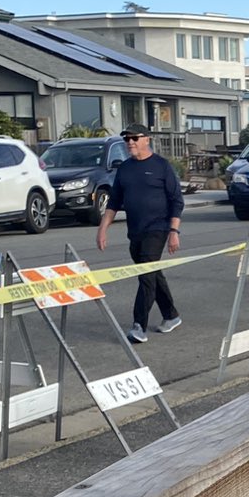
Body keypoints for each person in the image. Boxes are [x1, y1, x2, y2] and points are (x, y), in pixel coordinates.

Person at [96, 125, 183, 343]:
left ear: (147, 140)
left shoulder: (161, 166)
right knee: (151, 273)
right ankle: (171, 315)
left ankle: (138, 326)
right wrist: (102, 229)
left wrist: (174, 231)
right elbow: (114, 202)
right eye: (126, 139)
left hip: (158, 228)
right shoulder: (125, 169)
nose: (130, 142)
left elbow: (176, 201)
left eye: (134, 138)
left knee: (146, 272)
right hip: (135, 230)